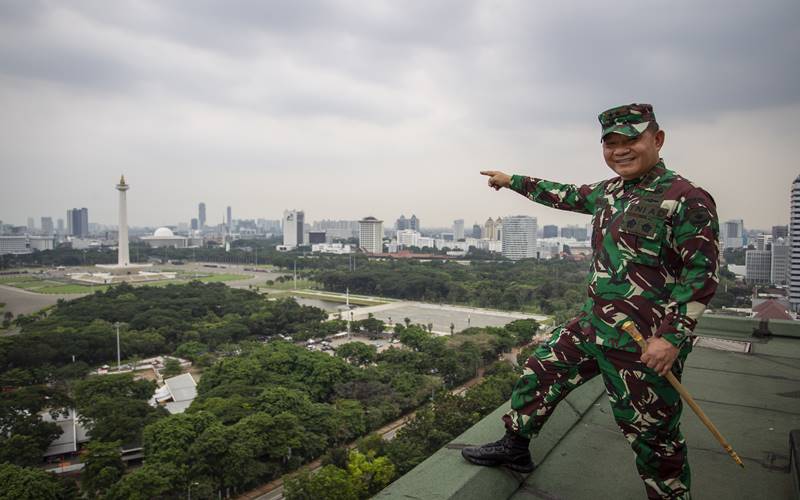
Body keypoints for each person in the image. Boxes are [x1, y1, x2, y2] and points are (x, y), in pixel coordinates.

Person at [461, 103, 719, 500]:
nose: (620, 150)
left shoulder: (686, 199)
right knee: (540, 369)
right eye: (611, 143)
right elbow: (562, 194)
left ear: (657, 139)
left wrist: (671, 339)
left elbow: (700, 276)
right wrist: (511, 180)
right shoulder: (609, 192)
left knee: (652, 437)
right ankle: (515, 447)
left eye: (631, 140)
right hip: (594, 326)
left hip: (643, 343)